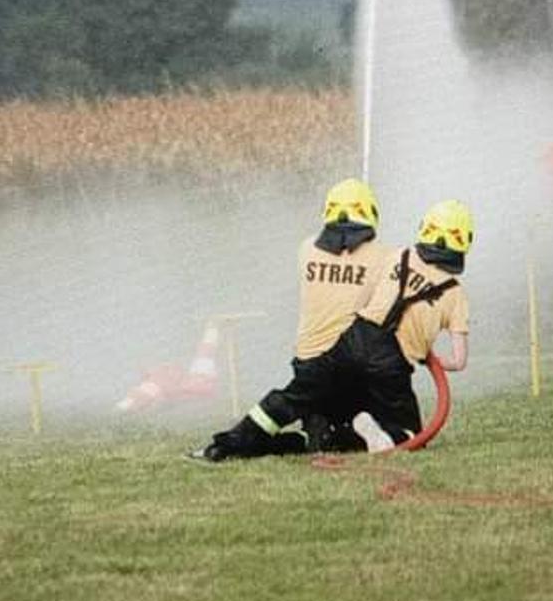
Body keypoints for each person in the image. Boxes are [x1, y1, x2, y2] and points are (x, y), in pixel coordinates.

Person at [189, 199, 473, 461]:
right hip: (392, 364)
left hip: (352, 341)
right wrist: (427, 356)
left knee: (295, 396)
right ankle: (372, 434)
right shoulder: (455, 294)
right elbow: (458, 361)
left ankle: (225, 445)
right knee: (411, 433)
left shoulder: (400, 256)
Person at [187, 178, 393, 460]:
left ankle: (235, 444)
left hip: (307, 363)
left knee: (307, 411)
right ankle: (357, 422)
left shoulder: (307, 249)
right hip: (351, 367)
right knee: (358, 410)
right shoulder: (385, 257)